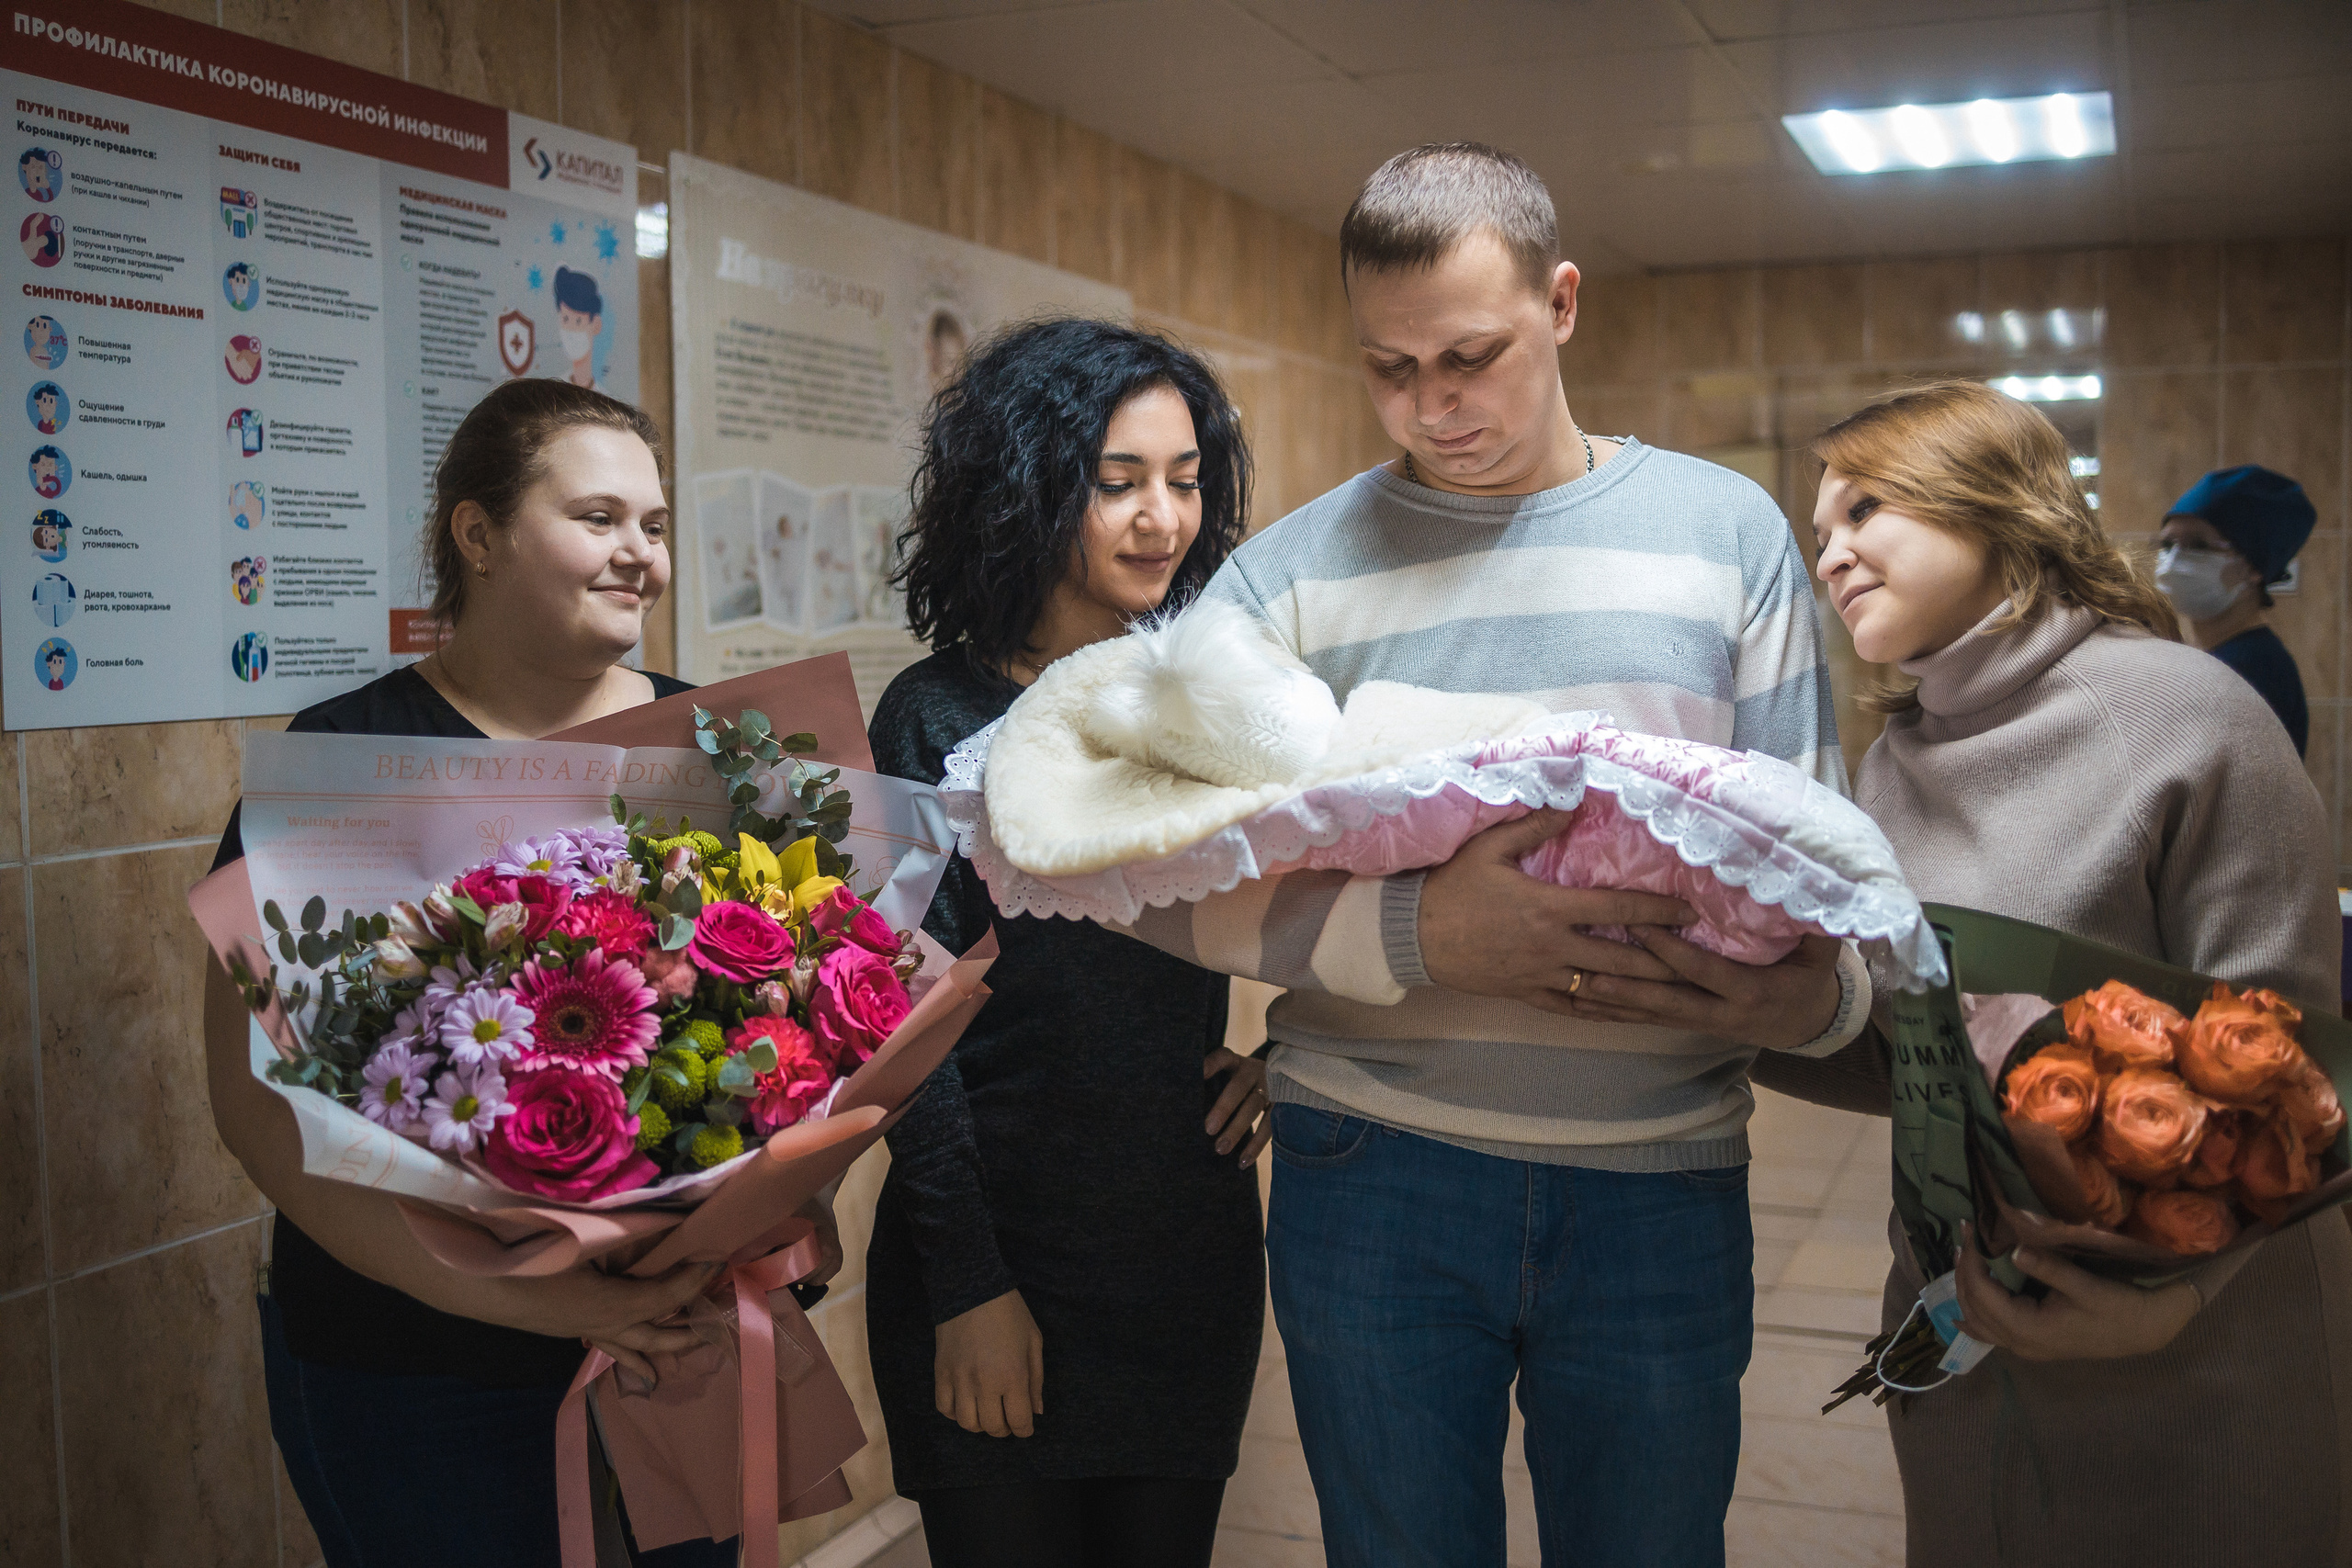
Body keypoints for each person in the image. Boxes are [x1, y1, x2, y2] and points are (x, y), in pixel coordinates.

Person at [1101, 142, 1868, 1567]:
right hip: (1370, 1160)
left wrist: (1807, 1004)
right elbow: (1150, 872)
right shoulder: (1289, 576)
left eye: (1472, 355)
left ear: (1563, 303)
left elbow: (1809, 864)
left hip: (1656, 1171)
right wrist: (1418, 936)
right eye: (1389, 368)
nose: (1434, 407)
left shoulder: (1727, 539)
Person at [199, 379, 805, 1568]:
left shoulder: (722, 748)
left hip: (679, 1328)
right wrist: (545, 1302)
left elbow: (808, 1025)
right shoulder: (344, 762)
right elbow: (261, 1109)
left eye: (655, 522)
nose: (639, 552)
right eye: (598, 516)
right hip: (416, 1360)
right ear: (476, 534)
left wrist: (742, 1225)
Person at [1747, 381, 2343, 1565]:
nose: (1832, 554)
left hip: (2192, 1345)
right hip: (1962, 1323)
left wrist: (2162, 1309)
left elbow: (2297, 1077)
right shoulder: (1894, 763)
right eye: (1819, 535)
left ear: (1993, 502)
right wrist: (1769, 1017)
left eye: (1865, 508)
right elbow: (1928, 1055)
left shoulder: (2191, 719)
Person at [865, 318, 1271, 1568]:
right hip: (991, 1245)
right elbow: (903, 1023)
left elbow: (1354, 884)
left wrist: (1302, 1046)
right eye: (1119, 482)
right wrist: (971, 1283)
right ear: (1031, 486)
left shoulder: (1219, 693)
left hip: (1182, 1250)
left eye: (1187, 480)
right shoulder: (932, 713)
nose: (1164, 518)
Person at [2155, 464, 2316, 756]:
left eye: (2199, 546)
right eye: (2167, 544)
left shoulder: (2252, 670)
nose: (2174, 561)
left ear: (2253, 567)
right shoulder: (2220, 657)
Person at [553, 267, 604, 390]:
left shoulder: (606, 401)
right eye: (565, 319)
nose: (570, 330)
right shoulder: (554, 394)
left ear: (596, 325)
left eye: (578, 321)